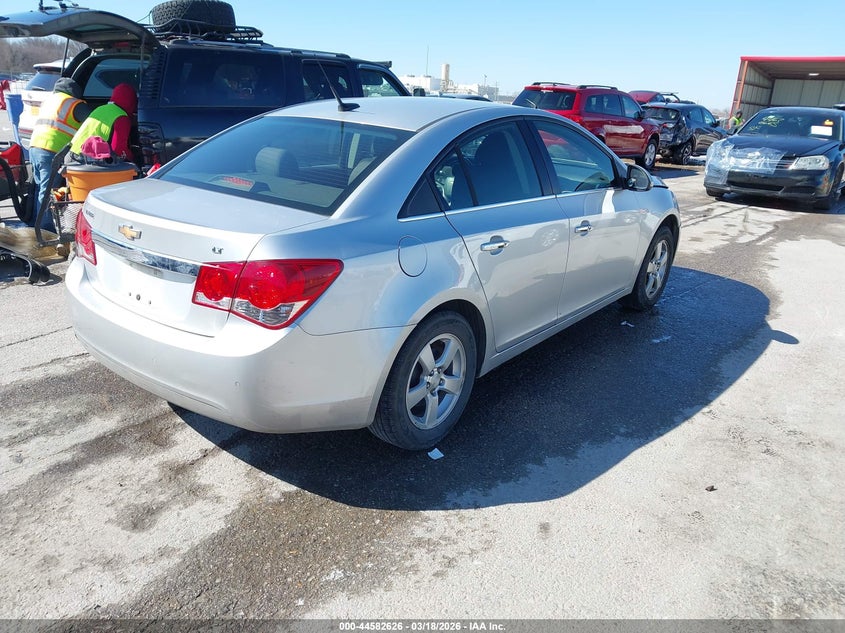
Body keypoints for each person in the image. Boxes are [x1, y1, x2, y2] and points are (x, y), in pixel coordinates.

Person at [28, 77, 91, 231]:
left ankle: (35, 224)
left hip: (34, 148)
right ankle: (45, 230)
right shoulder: (74, 104)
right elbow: (92, 121)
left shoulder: (50, 100)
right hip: (51, 151)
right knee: (48, 193)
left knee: (39, 190)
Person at [69, 82, 137, 163]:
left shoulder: (100, 109)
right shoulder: (122, 117)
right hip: (86, 162)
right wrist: (134, 161)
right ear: (131, 101)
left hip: (71, 156)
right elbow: (118, 150)